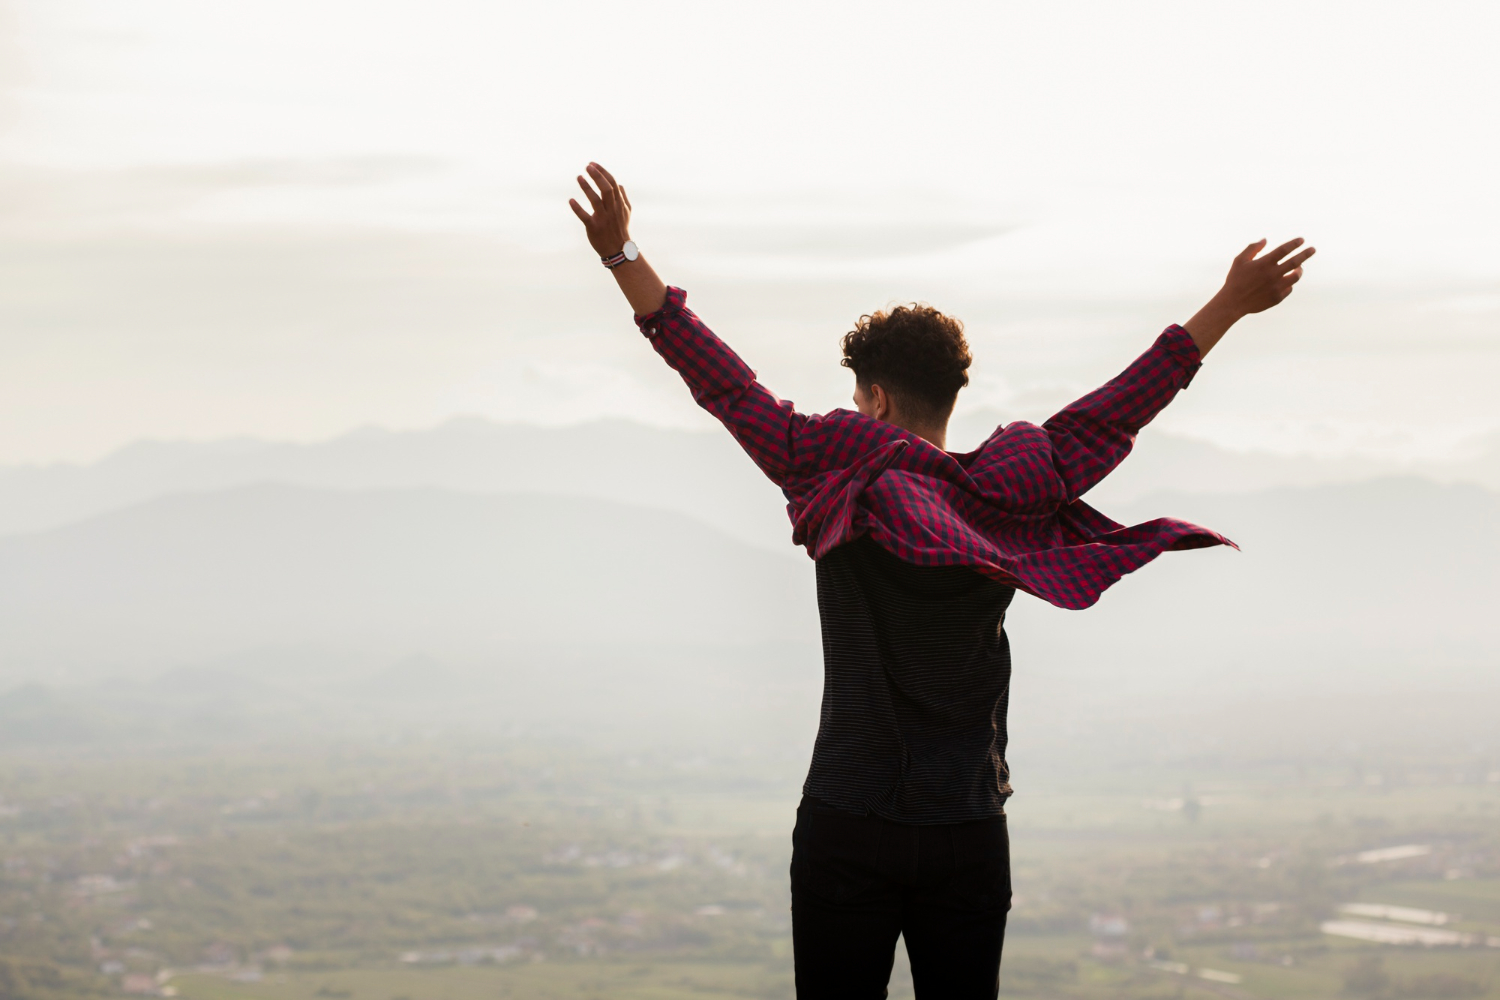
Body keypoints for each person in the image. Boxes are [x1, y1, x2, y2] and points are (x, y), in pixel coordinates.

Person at [568, 162, 1314, 999]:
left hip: (848, 819)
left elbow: (722, 384)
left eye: (853, 399)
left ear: (876, 399)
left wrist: (622, 253)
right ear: (950, 398)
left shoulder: (832, 471)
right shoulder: (1014, 488)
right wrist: (1231, 304)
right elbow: (1124, 405)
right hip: (965, 827)